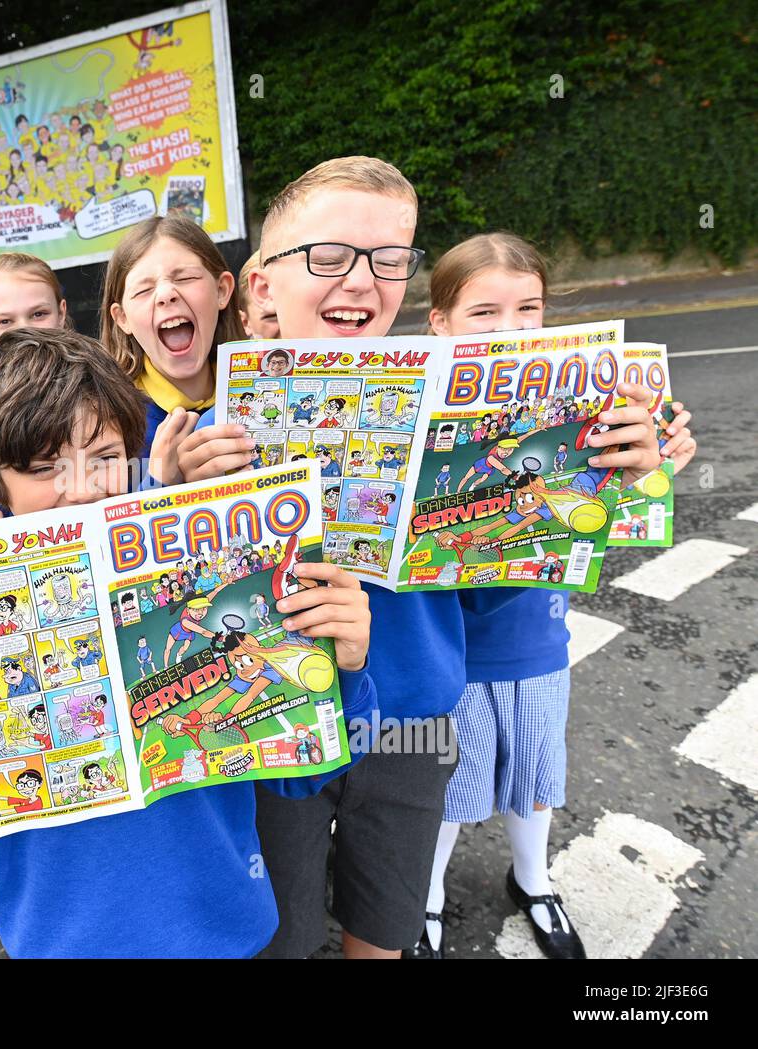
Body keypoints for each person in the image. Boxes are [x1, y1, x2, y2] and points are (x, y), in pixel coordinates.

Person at [172, 156, 666, 959]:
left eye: (389, 259)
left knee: (387, 934)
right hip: (272, 741)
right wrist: (177, 498)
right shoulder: (207, 437)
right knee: (280, 939)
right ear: (260, 286)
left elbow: (488, 603)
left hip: (410, 728)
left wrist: (594, 491)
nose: (361, 282)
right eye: (328, 257)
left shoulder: (459, 419)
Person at [0, 326, 378, 958]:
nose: (84, 487)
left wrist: (345, 670)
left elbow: (303, 780)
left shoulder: (208, 569)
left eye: (106, 456)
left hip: (224, 929)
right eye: (43, 467)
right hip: (58, 941)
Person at [409, 230, 696, 959]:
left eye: (527, 308)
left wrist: (656, 462)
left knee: (535, 770)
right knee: (451, 777)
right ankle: (428, 894)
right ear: (439, 321)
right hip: (449, 644)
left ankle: (533, 879)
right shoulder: (411, 406)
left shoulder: (592, 401)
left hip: (537, 633)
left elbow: (629, 510)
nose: (510, 329)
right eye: (484, 312)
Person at [99, 214, 243, 477]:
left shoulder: (270, 387)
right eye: (143, 290)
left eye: (185, 278)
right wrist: (164, 487)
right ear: (122, 318)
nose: (166, 294)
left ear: (222, 290)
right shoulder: (103, 421)